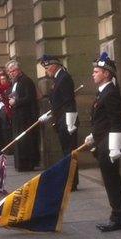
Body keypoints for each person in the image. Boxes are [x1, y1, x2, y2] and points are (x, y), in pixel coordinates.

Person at [85, 52, 121, 232]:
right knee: (109, 181)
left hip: (109, 144)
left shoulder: (111, 94)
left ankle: (118, 218)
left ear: (106, 74)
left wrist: (115, 147)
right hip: (101, 140)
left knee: (112, 181)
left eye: (96, 71)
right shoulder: (103, 92)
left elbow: (116, 122)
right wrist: (93, 135)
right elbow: (101, 120)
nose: (93, 74)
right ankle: (115, 215)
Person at [38, 54, 79, 190]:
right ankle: (69, 180)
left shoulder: (64, 78)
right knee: (66, 151)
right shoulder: (57, 78)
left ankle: (72, 182)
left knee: (70, 152)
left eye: (48, 67)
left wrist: (70, 122)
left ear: (55, 65)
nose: (47, 70)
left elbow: (69, 102)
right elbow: (57, 103)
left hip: (67, 120)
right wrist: (49, 115)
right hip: (61, 119)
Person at [6, 60, 40, 171]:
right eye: (9, 72)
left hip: (26, 116)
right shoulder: (15, 82)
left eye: (13, 71)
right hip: (17, 116)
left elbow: (30, 97)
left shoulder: (26, 81)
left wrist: (16, 102)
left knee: (26, 141)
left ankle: (27, 164)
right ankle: (20, 164)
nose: (11, 73)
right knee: (19, 140)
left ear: (18, 70)